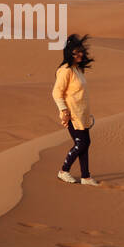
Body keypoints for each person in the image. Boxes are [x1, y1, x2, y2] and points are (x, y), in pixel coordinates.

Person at [52, 34, 99, 186]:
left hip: (82, 114)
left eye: (80, 51)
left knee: (85, 143)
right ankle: (63, 171)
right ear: (69, 53)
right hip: (72, 114)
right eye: (76, 52)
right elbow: (56, 93)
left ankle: (85, 177)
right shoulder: (66, 70)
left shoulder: (77, 69)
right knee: (81, 143)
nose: (79, 54)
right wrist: (64, 111)